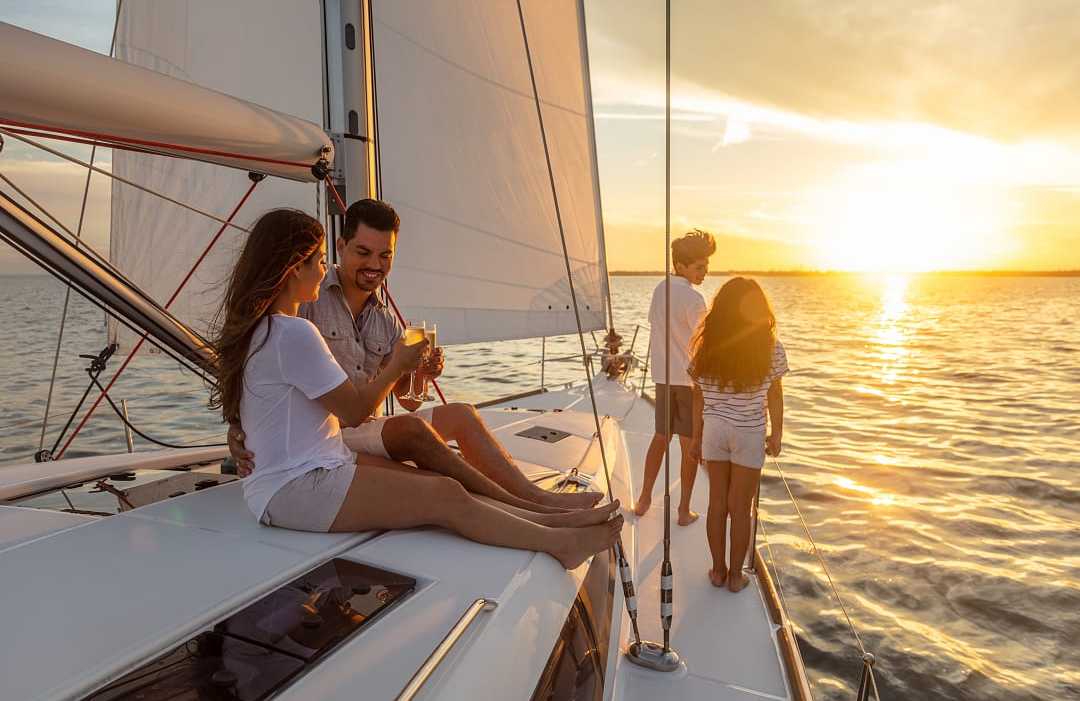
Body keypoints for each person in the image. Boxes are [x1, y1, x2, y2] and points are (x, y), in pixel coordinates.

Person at [208, 209, 621, 568]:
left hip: (314, 465)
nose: (322, 268)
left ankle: (547, 519)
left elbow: (262, 394)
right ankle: (559, 542)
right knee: (443, 496)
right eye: (317, 260)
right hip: (294, 487)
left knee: (445, 487)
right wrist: (397, 364)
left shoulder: (264, 328)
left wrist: (417, 373)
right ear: (292, 267)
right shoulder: (294, 330)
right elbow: (352, 412)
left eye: (385, 254)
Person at [687, 277, 787, 592]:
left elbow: (698, 394)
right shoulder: (770, 346)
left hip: (714, 430)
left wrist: (695, 436)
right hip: (748, 431)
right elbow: (775, 394)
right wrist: (777, 434)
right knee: (740, 508)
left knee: (717, 503)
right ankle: (735, 577)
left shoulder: (708, 345)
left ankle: (717, 571)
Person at [634, 229, 717, 525]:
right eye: (699, 266)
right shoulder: (695, 299)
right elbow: (706, 343)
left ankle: (643, 498)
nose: (705, 271)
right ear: (680, 265)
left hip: (663, 377)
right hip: (689, 383)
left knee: (660, 437)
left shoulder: (659, 289)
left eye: (706, 265)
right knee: (689, 447)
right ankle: (683, 511)